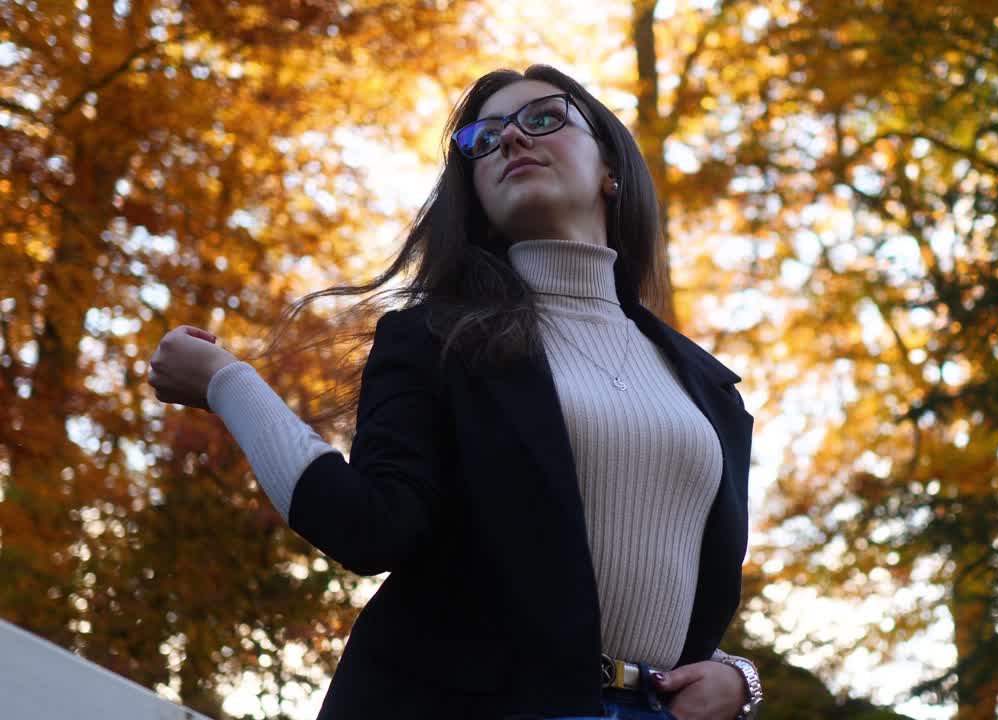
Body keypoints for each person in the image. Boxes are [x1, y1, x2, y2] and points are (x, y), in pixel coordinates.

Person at [146, 64, 763, 720]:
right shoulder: (432, 341)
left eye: (544, 118)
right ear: (476, 194)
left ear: (611, 168)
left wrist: (738, 677)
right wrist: (227, 383)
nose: (512, 141)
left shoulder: (707, 386)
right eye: (484, 139)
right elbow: (369, 527)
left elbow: (679, 588)